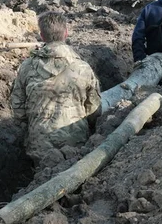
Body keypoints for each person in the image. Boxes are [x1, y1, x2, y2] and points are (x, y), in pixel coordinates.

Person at [10, 11, 101, 165]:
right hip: (76, 144)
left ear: (42, 36)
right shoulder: (83, 68)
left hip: (39, 146)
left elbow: (17, 110)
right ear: (66, 33)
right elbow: (94, 109)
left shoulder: (26, 67)